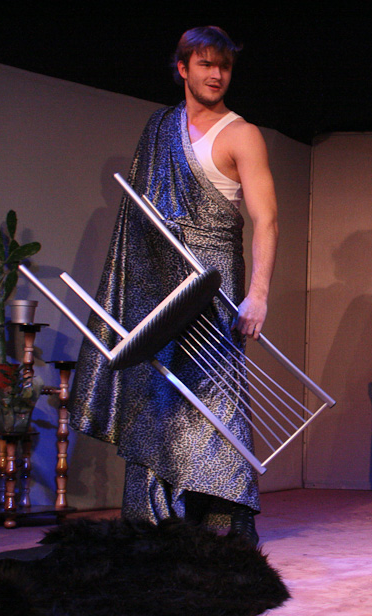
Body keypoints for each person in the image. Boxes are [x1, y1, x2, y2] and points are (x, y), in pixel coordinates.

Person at [70, 26, 278, 545]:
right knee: (158, 393)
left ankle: (223, 522)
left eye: (223, 66)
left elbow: (267, 220)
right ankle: (155, 521)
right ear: (183, 68)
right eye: (205, 64)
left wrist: (258, 294)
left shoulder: (242, 134)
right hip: (159, 280)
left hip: (213, 282)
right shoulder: (160, 127)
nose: (216, 74)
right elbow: (139, 223)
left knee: (214, 395)